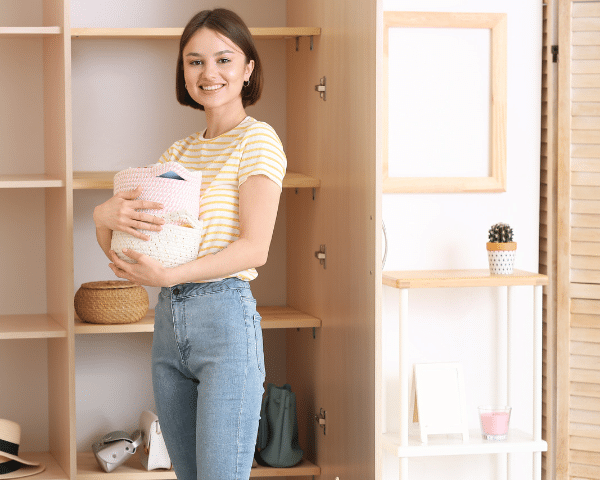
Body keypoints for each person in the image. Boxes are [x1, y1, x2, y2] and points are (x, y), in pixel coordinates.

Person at [92, 8, 286, 480]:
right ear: (183, 71)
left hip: (225, 324)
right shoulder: (177, 153)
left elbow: (254, 248)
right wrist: (102, 217)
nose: (209, 73)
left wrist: (169, 276)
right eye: (194, 61)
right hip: (169, 326)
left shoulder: (257, 141)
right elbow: (130, 250)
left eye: (223, 59)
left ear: (248, 68)